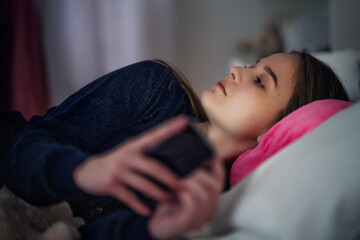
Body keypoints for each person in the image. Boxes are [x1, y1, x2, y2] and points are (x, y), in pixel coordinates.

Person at [0, 50, 349, 239]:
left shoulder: (207, 204)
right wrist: (82, 172)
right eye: (251, 64)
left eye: (260, 82)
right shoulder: (157, 88)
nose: (236, 72)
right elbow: (22, 152)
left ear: (276, 132)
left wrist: (152, 230)